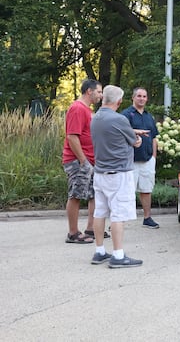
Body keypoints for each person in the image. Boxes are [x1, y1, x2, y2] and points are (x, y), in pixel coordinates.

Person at [90, 85, 144, 268]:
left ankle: (99, 251)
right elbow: (134, 142)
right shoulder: (120, 119)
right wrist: (138, 138)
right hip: (119, 173)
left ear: (104, 98)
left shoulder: (95, 118)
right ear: (119, 101)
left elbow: (111, 134)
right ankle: (118, 255)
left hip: (100, 172)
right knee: (118, 214)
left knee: (99, 212)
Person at [62, 79, 103, 244]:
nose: (101, 95)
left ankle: (91, 229)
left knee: (94, 194)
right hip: (78, 161)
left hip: (89, 161)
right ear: (89, 91)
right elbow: (72, 136)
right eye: (99, 92)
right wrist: (83, 161)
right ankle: (73, 233)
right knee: (76, 194)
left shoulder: (87, 109)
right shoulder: (77, 108)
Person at [121, 87, 160, 229]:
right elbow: (120, 132)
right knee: (126, 191)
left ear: (147, 99)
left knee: (146, 189)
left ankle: (147, 218)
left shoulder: (149, 116)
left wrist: (154, 157)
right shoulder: (126, 115)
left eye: (144, 96)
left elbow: (154, 138)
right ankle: (119, 221)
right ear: (133, 97)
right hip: (130, 160)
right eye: (139, 96)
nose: (142, 98)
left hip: (148, 159)